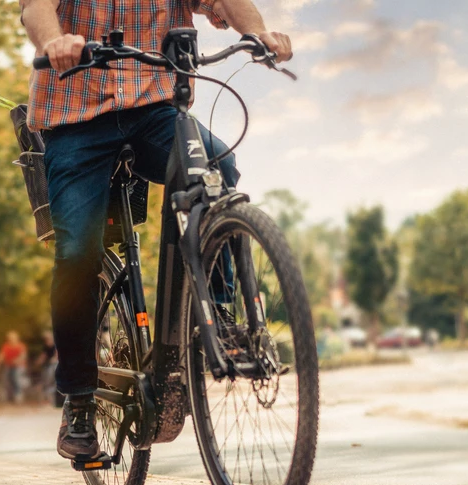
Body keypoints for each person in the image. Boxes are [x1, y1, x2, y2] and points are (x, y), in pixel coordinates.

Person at [18, 0, 293, 460]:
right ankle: (79, 399)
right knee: (78, 251)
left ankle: (219, 317)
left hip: (154, 110)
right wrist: (54, 42)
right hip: (75, 118)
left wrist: (259, 32)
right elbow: (36, 7)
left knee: (218, 167)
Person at [0, 331, 29, 404]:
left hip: (19, 366)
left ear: (16, 338)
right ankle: (7, 395)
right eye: (9, 338)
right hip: (9, 365)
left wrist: (17, 360)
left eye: (12, 338)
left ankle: (18, 394)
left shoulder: (21, 346)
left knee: (15, 377)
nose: (11, 339)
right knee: (5, 379)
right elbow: (2, 354)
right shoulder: (6, 346)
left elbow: (23, 356)